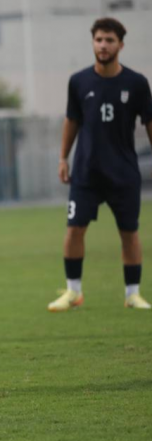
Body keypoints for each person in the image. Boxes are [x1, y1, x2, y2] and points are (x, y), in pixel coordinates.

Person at [49, 17, 152, 312]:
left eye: (109, 40)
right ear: (93, 42)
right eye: (98, 39)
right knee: (74, 230)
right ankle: (73, 292)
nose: (103, 45)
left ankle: (132, 294)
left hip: (123, 173)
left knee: (129, 233)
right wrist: (62, 158)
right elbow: (72, 120)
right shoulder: (79, 81)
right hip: (86, 172)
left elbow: (149, 122)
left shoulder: (136, 83)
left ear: (120, 44)